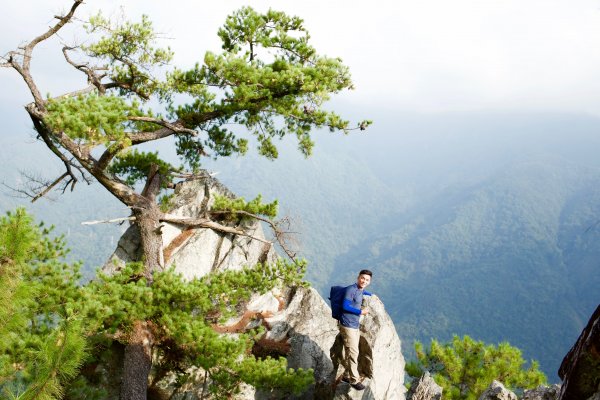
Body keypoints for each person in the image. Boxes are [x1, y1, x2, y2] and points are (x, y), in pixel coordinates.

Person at [338, 269, 373, 391]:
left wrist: (371, 295)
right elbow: (345, 306)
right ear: (358, 277)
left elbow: (362, 294)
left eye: (367, 280)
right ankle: (354, 380)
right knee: (353, 353)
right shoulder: (351, 289)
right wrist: (360, 311)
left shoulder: (360, 290)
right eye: (362, 278)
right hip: (347, 325)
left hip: (354, 325)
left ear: (370, 281)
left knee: (352, 351)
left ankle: (346, 376)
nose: (364, 281)